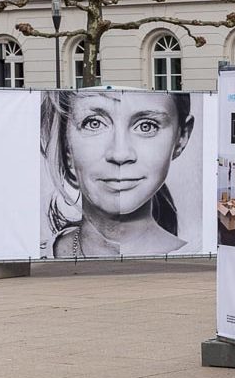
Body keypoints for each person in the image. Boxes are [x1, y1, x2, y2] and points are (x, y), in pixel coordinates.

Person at [41, 91, 195, 258]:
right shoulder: (33, 259)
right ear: (65, 142)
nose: (120, 154)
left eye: (146, 126)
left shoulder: (199, 264)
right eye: (94, 123)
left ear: (181, 137)